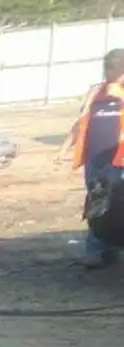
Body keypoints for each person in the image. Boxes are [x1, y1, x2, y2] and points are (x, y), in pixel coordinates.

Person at [62, 49, 124, 268]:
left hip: (119, 159)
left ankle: (111, 247)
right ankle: (98, 250)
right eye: (108, 69)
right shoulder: (96, 92)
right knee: (96, 202)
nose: (110, 75)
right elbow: (82, 121)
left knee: (118, 204)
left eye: (115, 70)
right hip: (95, 158)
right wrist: (64, 148)